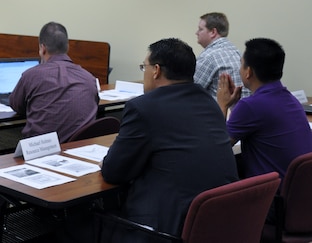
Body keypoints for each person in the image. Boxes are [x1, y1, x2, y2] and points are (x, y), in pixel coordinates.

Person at [99, 38, 238, 243]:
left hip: (163, 229)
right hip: (214, 224)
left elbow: (113, 172)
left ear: (156, 70)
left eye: (143, 67)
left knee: (74, 226)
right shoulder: (209, 103)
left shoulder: (143, 108)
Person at [217, 38, 312, 180]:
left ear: (248, 72)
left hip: (272, 197)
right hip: (299, 194)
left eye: (241, 64)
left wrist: (222, 105)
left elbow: (217, 149)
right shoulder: (291, 99)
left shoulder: (250, 106)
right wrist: (234, 105)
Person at [8, 21, 99, 143]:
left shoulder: (31, 75)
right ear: (67, 47)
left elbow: (16, 106)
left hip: (41, 151)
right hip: (80, 150)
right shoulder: (89, 78)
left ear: (42, 48)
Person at [194, 12, 248, 97]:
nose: (196, 33)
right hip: (242, 108)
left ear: (213, 32)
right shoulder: (238, 53)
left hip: (221, 109)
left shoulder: (209, 56)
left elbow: (191, 92)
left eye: (200, 29)